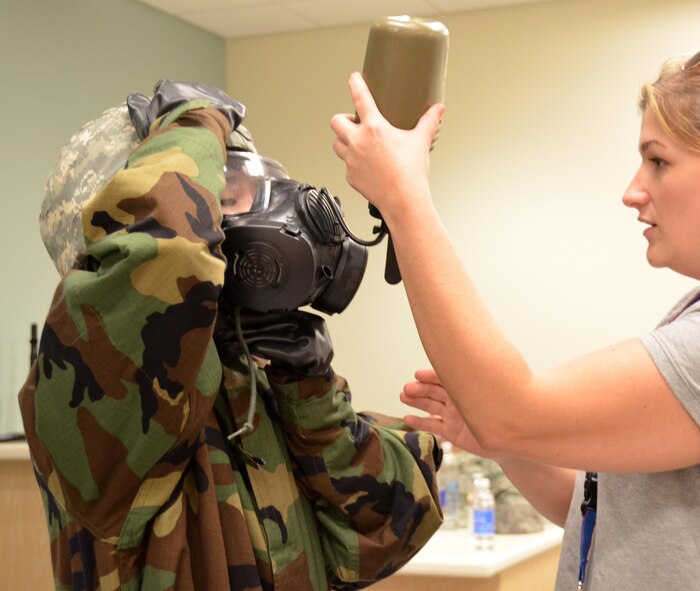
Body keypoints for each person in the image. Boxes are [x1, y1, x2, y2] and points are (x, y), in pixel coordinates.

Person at [330, 41, 700, 590]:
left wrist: (404, 196)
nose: (633, 191)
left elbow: (511, 406)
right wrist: (507, 445)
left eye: (658, 161)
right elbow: (592, 507)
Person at [19, 81, 443, 591]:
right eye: (215, 196)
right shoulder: (89, 386)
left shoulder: (247, 374)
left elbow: (389, 529)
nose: (238, 216)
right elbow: (170, 254)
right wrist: (196, 120)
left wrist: (312, 395)